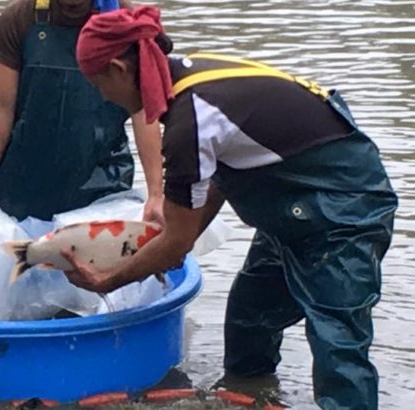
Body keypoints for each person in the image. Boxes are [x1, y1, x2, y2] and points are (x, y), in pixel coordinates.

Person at [61, 6, 398, 410]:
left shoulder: (190, 119)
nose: (101, 96)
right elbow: (216, 181)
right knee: (248, 324)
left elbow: (177, 241)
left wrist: (110, 279)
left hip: (345, 209)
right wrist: (168, 243)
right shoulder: (185, 79)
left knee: (338, 344)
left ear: (117, 69)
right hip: (291, 206)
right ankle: (253, 398)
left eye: (97, 83)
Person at [0, 0, 165, 225]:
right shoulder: (19, 19)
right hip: (21, 188)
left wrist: (156, 194)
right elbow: (0, 108)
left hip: (105, 187)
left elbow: (144, 113)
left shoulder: (131, 22)